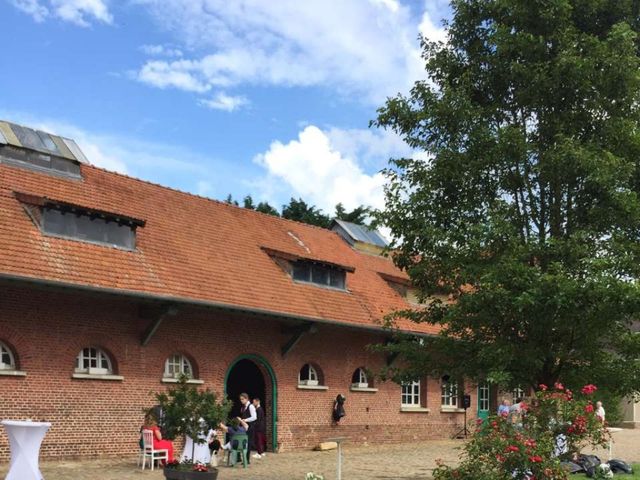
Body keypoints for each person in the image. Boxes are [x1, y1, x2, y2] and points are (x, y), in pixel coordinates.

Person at [237, 393, 257, 463]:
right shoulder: (243, 407)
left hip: (250, 427)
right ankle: (241, 458)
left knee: (248, 443)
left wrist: (245, 420)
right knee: (243, 442)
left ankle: (247, 459)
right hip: (244, 427)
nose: (241, 401)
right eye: (240, 399)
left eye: (242, 399)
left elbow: (254, 417)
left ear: (246, 399)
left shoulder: (251, 406)